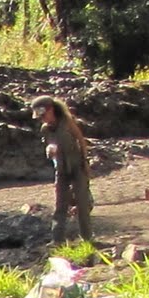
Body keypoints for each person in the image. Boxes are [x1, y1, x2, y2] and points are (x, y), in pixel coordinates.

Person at [30, 95, 93, 244]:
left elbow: (81, 140)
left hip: (77, 166)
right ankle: (57, 240)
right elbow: (49, 145)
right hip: (61, 169)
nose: (42, 119)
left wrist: (85, 162)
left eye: (44, 115)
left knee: (82, 204)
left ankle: (87, 239)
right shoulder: (45, 129)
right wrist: (50, 152)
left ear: (51, 109)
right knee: (60, 206)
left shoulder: (67, 122)